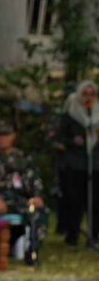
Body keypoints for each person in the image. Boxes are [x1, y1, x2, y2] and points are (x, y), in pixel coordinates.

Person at [0, 122, 47, 250]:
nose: (3, 139)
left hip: (18, 198)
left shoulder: (23, 158)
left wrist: (37, 196)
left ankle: (32, 250)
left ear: (13, 136)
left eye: (6, 135)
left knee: (39, 212)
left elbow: (35, 181)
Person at [51, 80, 99, 246]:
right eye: (85, 94)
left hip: (95, 162)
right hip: (75, 163)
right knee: (75, 200)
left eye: (92, 94)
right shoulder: (70, 114)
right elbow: (58, 138)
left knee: (95, 201)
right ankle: (73, 234)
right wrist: (73, 141)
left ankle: (94, 235)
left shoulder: (97, 113)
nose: (89, 98)